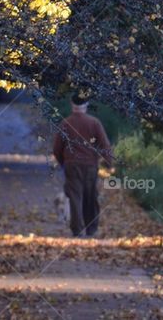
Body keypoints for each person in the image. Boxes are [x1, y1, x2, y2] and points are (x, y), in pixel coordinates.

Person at [52, 94, 113, 237]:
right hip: (90, 165)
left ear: (71, 104)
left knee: (75, 197)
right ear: (86, 105)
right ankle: (91, 229)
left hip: (72, 164)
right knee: (91, 196)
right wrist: (109, 163)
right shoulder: (94, 123)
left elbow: (56, 148)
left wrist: (63, 162)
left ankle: (77, 229)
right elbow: (105, 144)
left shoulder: (65, 123)